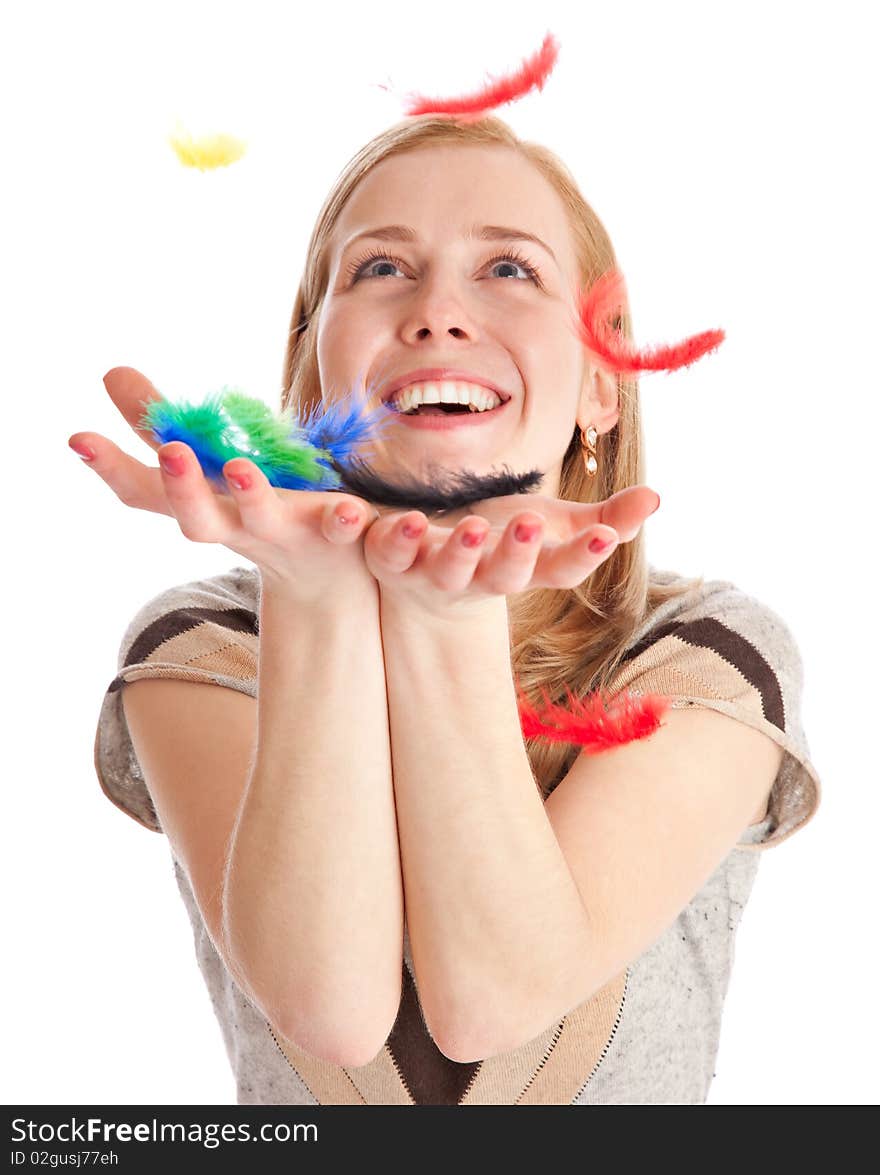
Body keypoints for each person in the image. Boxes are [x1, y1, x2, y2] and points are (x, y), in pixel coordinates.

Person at [74, 114, 822, 1105]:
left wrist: (446, 607)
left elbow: (494, 997)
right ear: (312, 381)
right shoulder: (202, 647)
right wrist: (319, 595)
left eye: (509, 270)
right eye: (381, 268)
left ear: (600, 387)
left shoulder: (705, 653)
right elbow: (329, 1008)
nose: (435, 312)